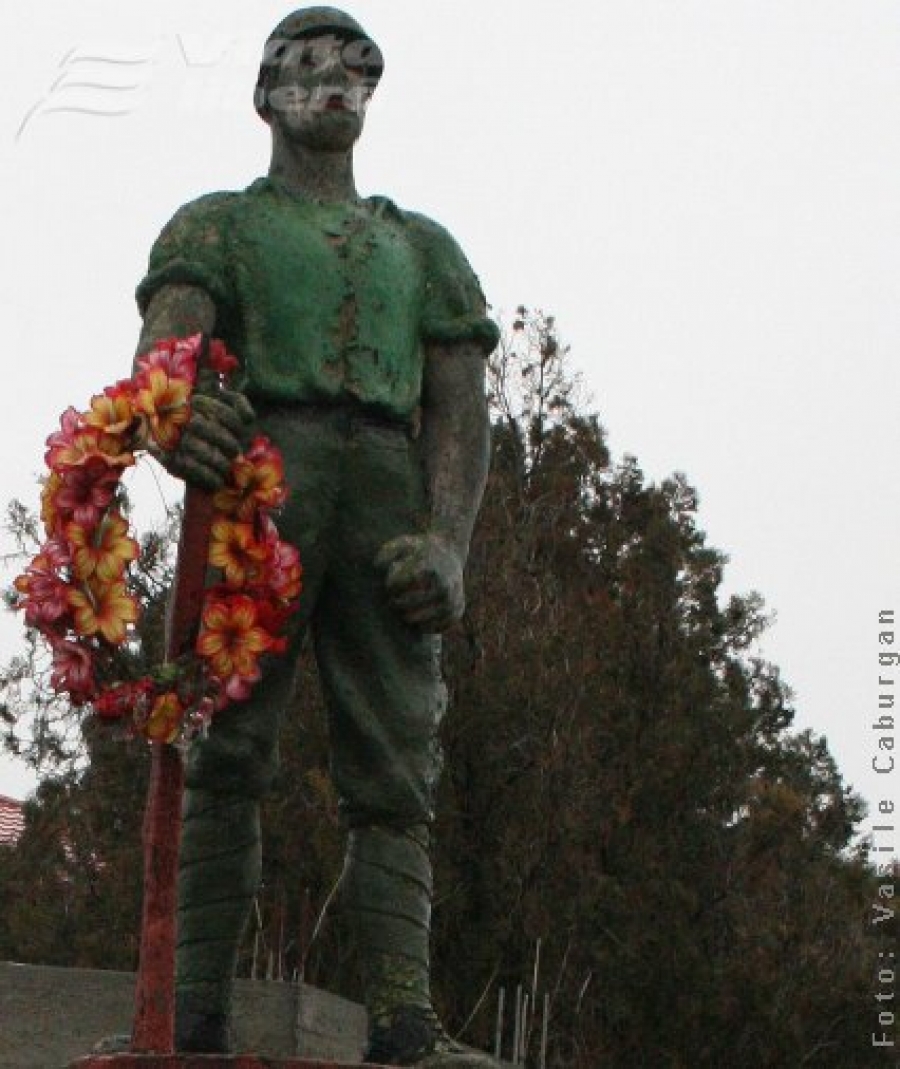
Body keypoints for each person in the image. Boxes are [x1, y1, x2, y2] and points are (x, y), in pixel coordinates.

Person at [134, 8, 501, 1066]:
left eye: (354, 66)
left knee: (395, 764)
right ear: (265, 92)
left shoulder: (421, 248)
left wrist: (450, 543)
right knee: (226, 742)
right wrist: (177, 413)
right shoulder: (219, 227)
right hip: (266, 487)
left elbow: (461, 405)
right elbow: (165, 355)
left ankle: (401, 1014)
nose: (334, 77)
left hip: (386, 494)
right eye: (306, 60)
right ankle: (187, 1010)